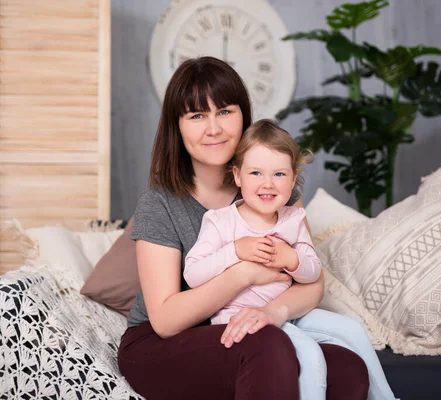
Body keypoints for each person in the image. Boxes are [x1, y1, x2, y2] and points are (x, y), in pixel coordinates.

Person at [117, 56, 370, 400]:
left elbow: (312, 284)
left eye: (224, 111)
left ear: (243, 114)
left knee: (347, 367)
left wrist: (271, 312)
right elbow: (165, 319)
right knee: (265, 344)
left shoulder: (270, 189)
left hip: (241, 332)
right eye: (196, 116)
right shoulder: (160, 202)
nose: (214, 128)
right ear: (177, 127)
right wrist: (245, 273)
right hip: (159, 345)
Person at [183, 119, 397, 400]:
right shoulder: (221, 222)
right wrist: (235, 250)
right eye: (256, 173)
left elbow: (312, 274)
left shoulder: (293, 220)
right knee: (309, 354)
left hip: (290, 314)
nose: (268, 184)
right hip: (241, 318)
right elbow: (193, 274)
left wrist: (292, 258)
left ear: (293, 179)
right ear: (238, 176)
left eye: (279, 175)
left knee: (352, 330)